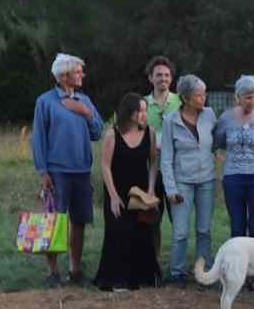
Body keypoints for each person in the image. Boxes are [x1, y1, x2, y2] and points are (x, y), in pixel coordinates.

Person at [31, 53, 104, 287]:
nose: (83, 74)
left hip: (82, 170)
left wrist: (85, 112)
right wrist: (43, 172)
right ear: (64, 75)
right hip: (56, 172)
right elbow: (38, 139)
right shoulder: (45, 101)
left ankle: (75, 270)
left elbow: (98, 132)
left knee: (79, 220)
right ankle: (53, 273)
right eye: (78, 71)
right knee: (54, 221)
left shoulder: (85, 100)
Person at [95, 93, 162, 291]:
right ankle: (117, 279)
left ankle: (142, 277)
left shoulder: (149, 133)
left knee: (141, 232)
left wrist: (150, 189)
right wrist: (113, 197)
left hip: (140, 191)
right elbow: (105, 166)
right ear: (129, 112)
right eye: (139, 110)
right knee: (118, 232)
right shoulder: (112, 134)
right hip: (117, 190)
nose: (144, 114)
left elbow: (153, 164)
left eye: (145, 110)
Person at [161, 74, 217, 287]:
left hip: (207, 181)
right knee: (181, 232)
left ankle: (204, 272)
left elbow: (219, 138)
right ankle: (176, 272)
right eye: (198, 95)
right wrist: (170, 189)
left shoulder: (210, 115)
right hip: (182, 182)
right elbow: (165, 159)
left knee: (204, 230)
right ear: (185, 98)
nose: (203, 98)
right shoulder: (170, 121)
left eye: (204, 94)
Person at [213, 75, 254, 239]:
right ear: (238, 97)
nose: (252, 101)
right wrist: (221, 157)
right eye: (248, 97)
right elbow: (217, 142)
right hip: (233, 178)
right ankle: (237, 262)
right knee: (237, 225)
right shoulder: (226, 118)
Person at [144, 55, 181, 262]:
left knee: (178, 220)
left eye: (167, 75)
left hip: (176, 171)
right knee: (152, 220)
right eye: (158, 75)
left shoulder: (180, 101)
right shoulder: (143, 104)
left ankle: (177, 265)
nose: (163, 79)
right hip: (150, 170)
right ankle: (154, 263)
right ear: (151, 78)